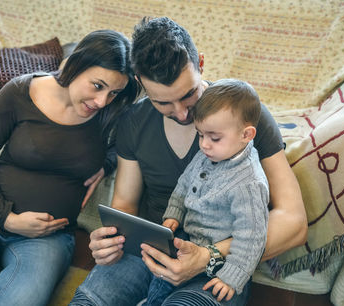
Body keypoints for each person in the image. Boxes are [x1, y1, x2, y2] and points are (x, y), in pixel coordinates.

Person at [70, 17, 307, 306]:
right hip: (149, 248)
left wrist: (208, 256)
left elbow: (294, 222)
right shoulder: (134, 122)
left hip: (218, 263)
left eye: (188, 95)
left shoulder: (244, 114)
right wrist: (109, 240)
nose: (183, 114)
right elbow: (125, 204)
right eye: (163, 103)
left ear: (201, 64)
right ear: (141, 84)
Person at [0, 29, 138, 306]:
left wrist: (106, 163)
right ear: (76, 66)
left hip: (48, 237)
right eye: (97, 86)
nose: (102, 101)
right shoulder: (20, 91)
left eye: (113, 92)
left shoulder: (111, 111)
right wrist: (8, 218)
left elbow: (125, 145)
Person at [144, 79, 270, 305]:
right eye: (200, 135)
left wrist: (232, 277)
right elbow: (184, 184)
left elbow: (252, 237)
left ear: (247, 134)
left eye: (214, 137)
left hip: (220, 260)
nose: (204, 145)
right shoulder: (209, 154)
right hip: (188, 239)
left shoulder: (248, 183)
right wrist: (174, 214)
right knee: (161, 277)